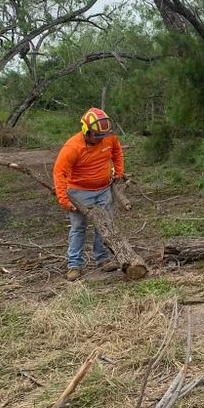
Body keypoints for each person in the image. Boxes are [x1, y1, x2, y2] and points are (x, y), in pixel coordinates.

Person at [53, 108, 125, 281]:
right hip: (79, 192)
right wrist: (64, 199)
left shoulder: (109, 137)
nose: (100, 139)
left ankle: (103, 258)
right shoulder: (73, 147)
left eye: (103, 136)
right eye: (96, 136)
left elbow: (117, 153)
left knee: (105, 225)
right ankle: (74, 264)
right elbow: (59, 172)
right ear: (86, 131)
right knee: (79, 228)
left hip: (103, 190)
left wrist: (119, 172)